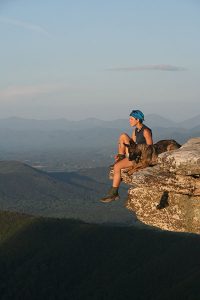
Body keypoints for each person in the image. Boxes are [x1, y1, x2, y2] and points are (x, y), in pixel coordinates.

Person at [100, 109, 153, 203]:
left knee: (117, 166)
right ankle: (114, 192)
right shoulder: (136, 130)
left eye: (131, 119)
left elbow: (150, 148)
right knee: (123, 136)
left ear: (138, 120)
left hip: (140, 157)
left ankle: (114, 193)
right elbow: (132, 144)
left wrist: (142, 161)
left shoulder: (146, 131)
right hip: (134, 153)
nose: (130, 121)